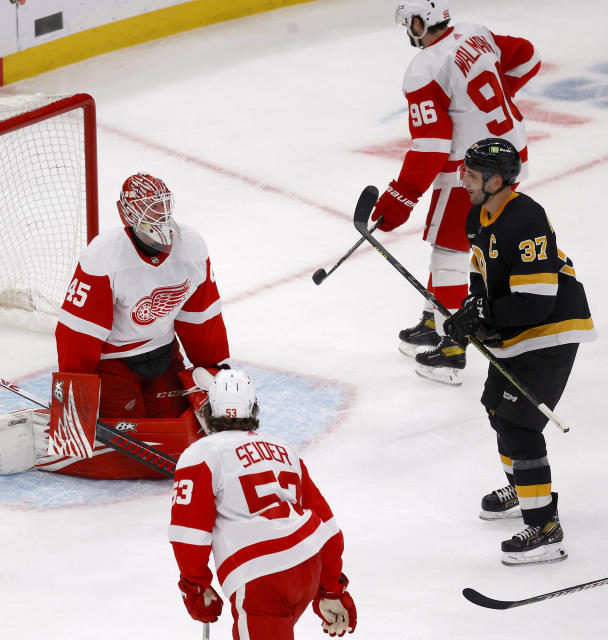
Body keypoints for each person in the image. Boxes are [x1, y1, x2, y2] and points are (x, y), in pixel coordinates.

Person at [371, 0, 540, 385]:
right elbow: (528, 57)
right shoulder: (475, 32)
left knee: (449, 251)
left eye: (409, 23)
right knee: (462, 244)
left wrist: (400, 196)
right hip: (511, 152)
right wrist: (487, 112)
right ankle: (434, 321)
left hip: (472, 170)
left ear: (420, 22)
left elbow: (431, 145)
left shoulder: (423, 68)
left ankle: (451, 349)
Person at [445, 138, 595, 565]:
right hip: (518, 326)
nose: (464, 181)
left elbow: (536, 299)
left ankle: (546, 528)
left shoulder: (525, 219)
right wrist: (471, 312)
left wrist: (485, 320)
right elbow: (482, 275)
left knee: (519, 425)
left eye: (472, 175)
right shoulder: (479, 215)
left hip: (551, 329)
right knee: (496, 407)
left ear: (496, 180)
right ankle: (527, 488)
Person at [168, 370, 356, 639]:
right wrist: (331, 588)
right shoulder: (284, 450)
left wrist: (196, 586)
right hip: (307, 565)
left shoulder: (201, 453)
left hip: (261, 578)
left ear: (208, 411)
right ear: (252, 409)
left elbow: (189, 534)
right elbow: (326, 524)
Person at [55, 172, 230, 419]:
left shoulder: (191, 247)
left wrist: (215, 370)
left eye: (162, 205)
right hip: (113, 365)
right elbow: (78, 334)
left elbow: (201, 319)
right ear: (128, 213)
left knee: (182, 427)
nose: (160, 214)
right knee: (128, 444)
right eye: (150, 208)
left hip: (165, 358)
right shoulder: (104, 255)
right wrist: (74, 397)